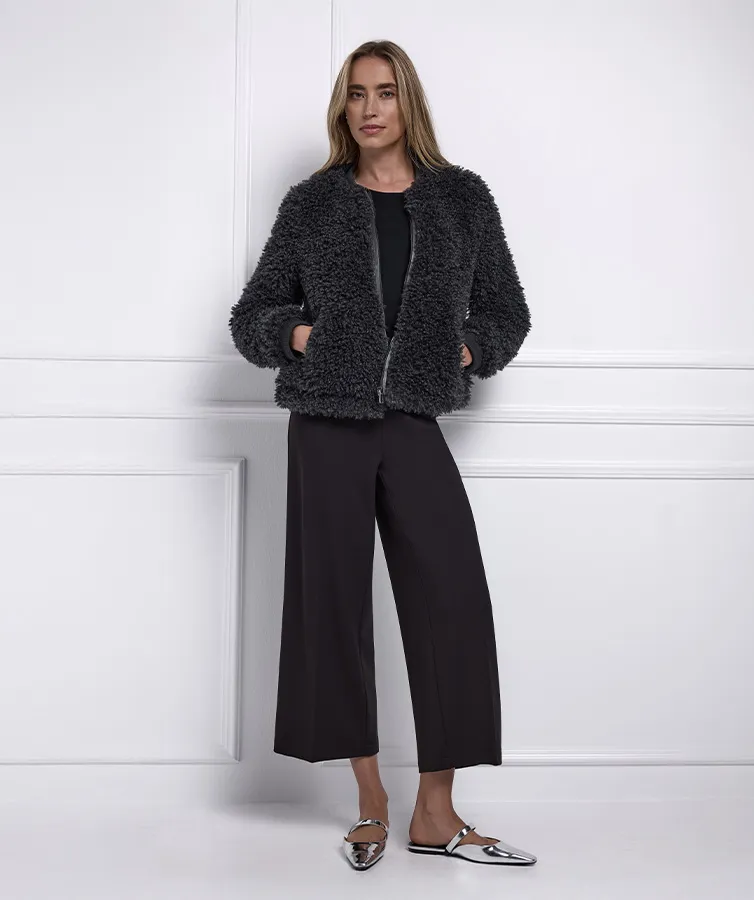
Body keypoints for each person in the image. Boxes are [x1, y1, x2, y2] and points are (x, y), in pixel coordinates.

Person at [228, 39, 536, 870]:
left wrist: (465, 350)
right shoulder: (313, 204)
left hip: (412, 419)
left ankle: (437, 812)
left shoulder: (461, 199)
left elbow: (506, 310)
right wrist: (300, 336)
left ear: (409, 104)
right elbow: (253, 315)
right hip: (326, 419)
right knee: (331, 604)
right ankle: (370, 802)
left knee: (452, 600)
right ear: (343, 106)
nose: (370, 108)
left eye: (386, 92)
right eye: (357, 93)